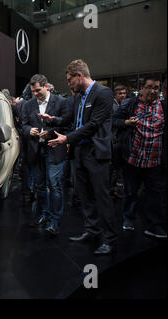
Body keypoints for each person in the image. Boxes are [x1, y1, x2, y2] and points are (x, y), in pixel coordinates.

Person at [47, 59, 118, 255]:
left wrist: (67, 138)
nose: (68, 84)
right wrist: (53, 120)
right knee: (84, 196)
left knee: (101, 197)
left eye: (70, 80)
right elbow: (71, 120)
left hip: (96, 154)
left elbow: (93, 125)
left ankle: (109, 239)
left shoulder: (103, 94)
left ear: (80, 76)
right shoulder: (79, 97)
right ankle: (92, 231)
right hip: (80, 153)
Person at [112, 77, 167, 238]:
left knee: (154, 194)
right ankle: (128, 218)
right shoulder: (130, 105)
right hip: (133, 158)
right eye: (149, 87)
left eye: (156, 88)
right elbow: (113, 121)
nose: (152, 91)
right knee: (130, 191)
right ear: (141, 88)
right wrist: (127, 122)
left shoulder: (163, 107)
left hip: (154, 160)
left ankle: (153, 225)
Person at [21, 74, 68, 235]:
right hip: (36, 150)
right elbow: (24, 125)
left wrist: (49, 133)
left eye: (38, 90)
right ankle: (44, 214)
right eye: (33, 91)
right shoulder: (28, 105)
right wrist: (30, 131)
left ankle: (55, 220)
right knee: (39, 186)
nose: (35, 94)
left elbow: (67, 125)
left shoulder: (61, 102)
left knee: (54, 186)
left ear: (46, 86)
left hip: (54, 150)